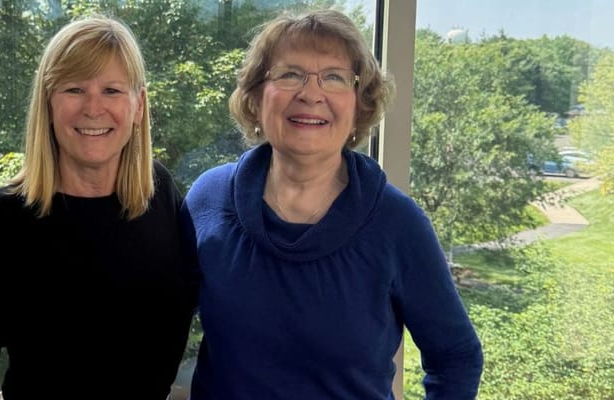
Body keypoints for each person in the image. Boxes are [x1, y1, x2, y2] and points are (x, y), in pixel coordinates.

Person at [182, 9, 483, 399]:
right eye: (290, 74)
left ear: (359, 106)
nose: (311, 94)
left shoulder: (397, 223)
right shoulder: (208, 199)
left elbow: (457, 357)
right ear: (255, 98)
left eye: (335, 77)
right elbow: (159, 318)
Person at [0, 15, 199, 400]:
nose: (93, 108)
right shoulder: (0, 220)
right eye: (75, 89)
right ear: (47, 103)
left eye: (112, 90)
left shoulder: (159, 194)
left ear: (139, 105)